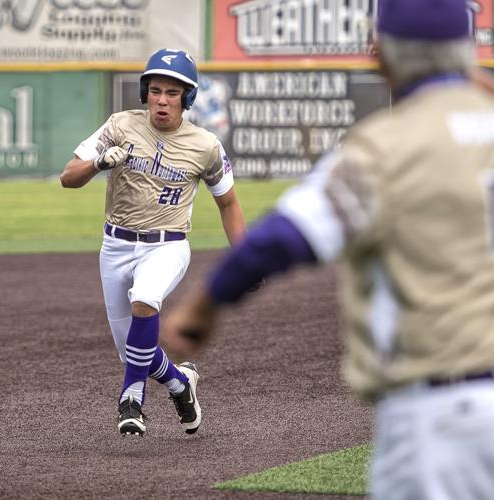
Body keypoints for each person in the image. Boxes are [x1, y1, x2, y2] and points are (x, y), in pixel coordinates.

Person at [163, 0, 494, 497]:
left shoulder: (389, 145)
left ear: (379, 55)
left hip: (441, 420)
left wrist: (203, 306)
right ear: (468, 51)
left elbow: (282, 239)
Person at [60, 48, 246, 436]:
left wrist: (246, 258)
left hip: (168, 245)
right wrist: (98, 163)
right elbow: (68, 177)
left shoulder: (205, 145)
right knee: (132, 350)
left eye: (173, 93)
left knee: (145, 300)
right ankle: (181, 383)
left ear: (187, 98)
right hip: (115, 246)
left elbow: (228, 203)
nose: (162, 100)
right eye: (156, 90)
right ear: (146, 92)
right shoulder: (120, 125)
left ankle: (132, 399)